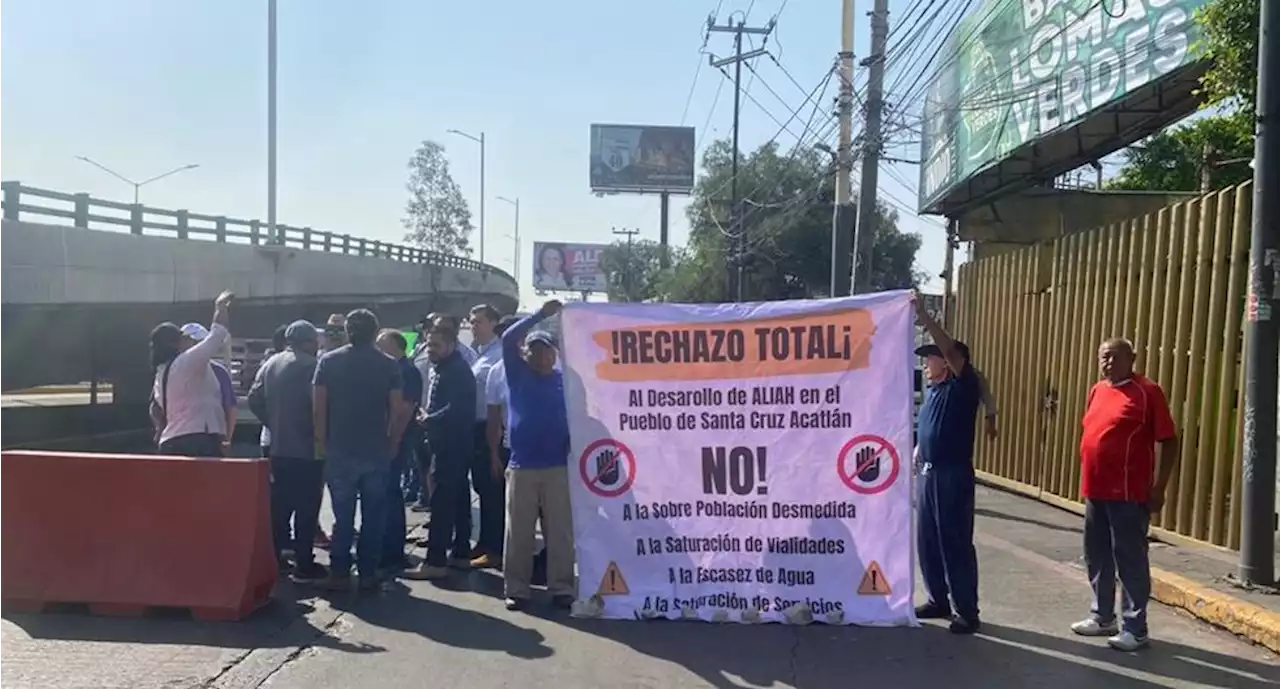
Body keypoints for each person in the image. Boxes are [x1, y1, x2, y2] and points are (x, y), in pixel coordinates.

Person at [1071, 337, 1177, 652]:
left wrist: (1159, 487)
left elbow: (1169, 441)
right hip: (1095, 491)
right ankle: (1103, 616)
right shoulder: (1097, 390)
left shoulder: (1148, 392)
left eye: (1115, 357)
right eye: (1103, 357)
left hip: (1129, 493)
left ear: (1132, 358)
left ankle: (1135, 626)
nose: (1108, 363)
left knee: (1129, 558)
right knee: (1097, 555)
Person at [312, 309, 410, 592]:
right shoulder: (390, 365)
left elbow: (319, 407)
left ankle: (340, 571)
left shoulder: (328, 362)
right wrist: (392, 442)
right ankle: (368, 571)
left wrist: (321, 443)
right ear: (374, 331)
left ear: (347, 332)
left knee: (343, 517)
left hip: (339, 449)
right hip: (376, 450)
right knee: (374, 514)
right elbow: (397, 408)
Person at [912, 292, 983, 634]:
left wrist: (925, 318)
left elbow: (951, 350)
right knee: (927, 540)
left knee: (953, 540)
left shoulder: (963, 386)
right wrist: (918, 451)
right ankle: (937, 597)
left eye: (933, 357)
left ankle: (966, 610)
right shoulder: (934, 391)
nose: (927, 362)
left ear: (952, 362)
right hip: (928, 473)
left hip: (952, 474)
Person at [500, 300, 574, 611]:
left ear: (555, 354)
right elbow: (506, 338)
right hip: (523, 466)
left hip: (558, 465)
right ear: (526, 353)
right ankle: (517, 588)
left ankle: (561, 587)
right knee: (519, 531)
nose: (543, 356)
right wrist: (541, 315)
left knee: (560, 531)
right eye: (536, 350)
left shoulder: (565, 381)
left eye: (548, 350)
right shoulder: (518, 375)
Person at [248, 320, 329, 583]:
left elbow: (254, 398)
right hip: (308, 449)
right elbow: (319, 405)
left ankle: (276, 559)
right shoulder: (312, 367)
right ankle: (304, 564)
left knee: (279, 507)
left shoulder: (270, 364)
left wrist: (273, 421)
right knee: (307, 508)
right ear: (308, 342)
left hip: (277, 448)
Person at [404, 322, 476, 580]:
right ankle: (460, 552)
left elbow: (457, 408)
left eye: (436, 345)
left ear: (451, 344)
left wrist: (430, 419)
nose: (430, 350)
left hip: (451, 444)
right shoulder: (446, 368)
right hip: (447, 443)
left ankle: (435, 561)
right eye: (428, 344)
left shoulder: (456, 371)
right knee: (457, 499)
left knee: (443, 502)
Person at [149, 291, 235, 457]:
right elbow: (218, 333)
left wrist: (159, 428)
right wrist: (220, 307)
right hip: (199, 441)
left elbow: (155, 408)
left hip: (170, 441)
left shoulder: (161, 373)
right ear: (175, 343)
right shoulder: (187, 362)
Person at [375, 328, 424, 573]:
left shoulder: (407, 371)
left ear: (395, 346)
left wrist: (393, 441)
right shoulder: (392, 369)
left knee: (391, 492)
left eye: (381, 343)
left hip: (399, 439)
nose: (377, 348)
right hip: (390, 438)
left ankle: (392, 551)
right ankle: (386, 547)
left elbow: (405, 410)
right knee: (385, 492)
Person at [467, 304, 506, 568]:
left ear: (493, 323)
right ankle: (485, 542)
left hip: (493, 428)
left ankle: (495, 549)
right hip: (477, 428)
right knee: (483, 487)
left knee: (494, 491)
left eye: (478, 322)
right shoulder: (481, 354)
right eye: (471, 322)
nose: (473, 327)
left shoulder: (499, 355)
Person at [180, 323, 238, 456]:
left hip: (210, 437)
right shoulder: (172, 369)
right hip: (181, 436)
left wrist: (227, 439)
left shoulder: (218, 371)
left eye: (200, 342)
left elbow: (230, 407)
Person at [259, 325, 290, 458]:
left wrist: (270, 420)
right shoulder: (295, 365)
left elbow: (255, 398)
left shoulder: (267, 365)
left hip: (269, 437)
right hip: (288, 442)